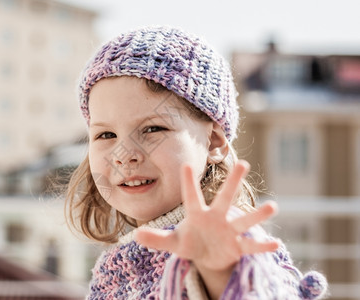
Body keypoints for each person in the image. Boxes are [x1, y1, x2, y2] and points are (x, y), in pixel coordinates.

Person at [65, 26, 327, 299]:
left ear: (213, 142)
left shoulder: (225, 238)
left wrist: (218, 271)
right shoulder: (117, 269)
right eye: (106, 134)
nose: (124, 153)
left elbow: (257, 287)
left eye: (153, 129)